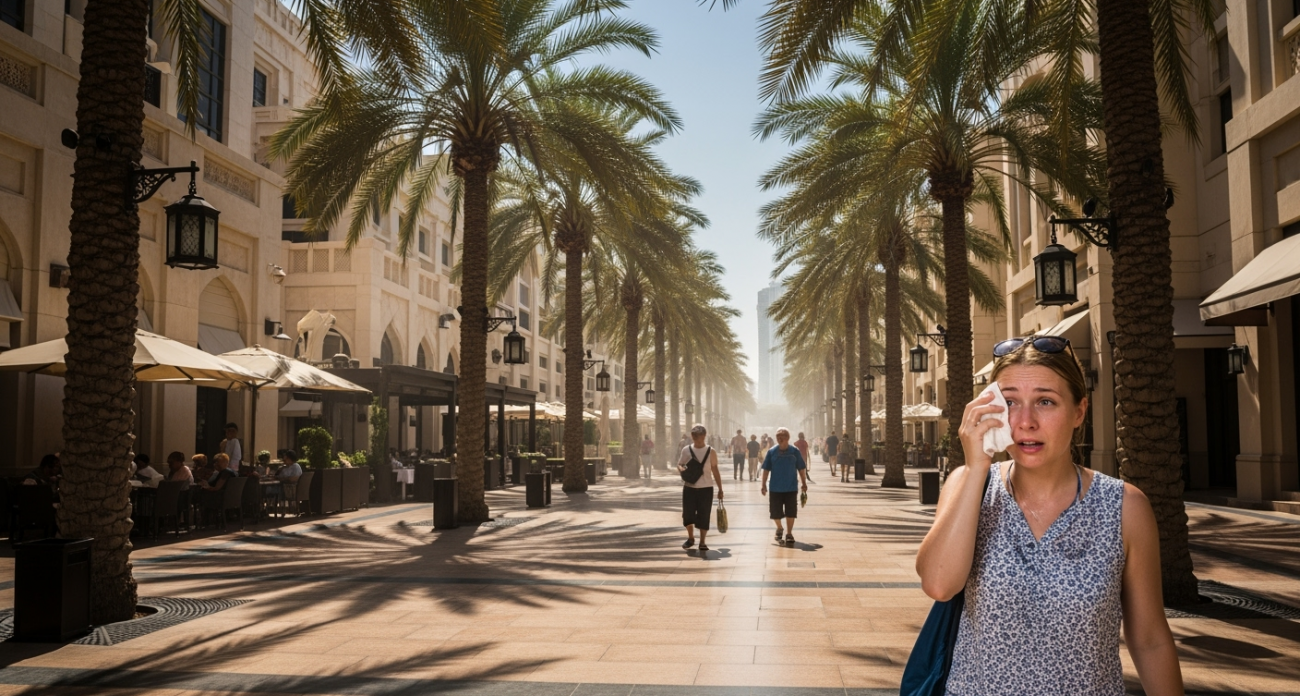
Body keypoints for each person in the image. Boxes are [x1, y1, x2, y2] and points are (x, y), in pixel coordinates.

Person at [917, 335, 1182, 695]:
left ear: (1079, 411)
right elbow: (938, 584)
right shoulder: (969, 486)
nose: (1025, 421)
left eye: (1045, 401)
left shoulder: (1124, 508)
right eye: (1010, 402)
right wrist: (977, 466)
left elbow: (1150, 639)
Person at [677, 424, 723, 554]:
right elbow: (680, 464)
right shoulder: (686, 450)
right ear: (692, 437)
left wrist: (720, 488)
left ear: (704, 436)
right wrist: (682, 470)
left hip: (706, 488)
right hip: (689, 487)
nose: (698, 440)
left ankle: (702, 542)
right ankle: (691, 538)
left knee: (704, 515)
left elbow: (715, 470)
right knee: (687, 514)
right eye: (695, 438)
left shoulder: (711, 451)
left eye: (700, 438)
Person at [761, 428, 808, 547]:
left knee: (791, 512)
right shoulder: (772, 452)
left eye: (782, 437)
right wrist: (763, 485)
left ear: (787, 438)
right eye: (778, 437)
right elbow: (766, 469)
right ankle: (780, 527)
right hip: (775, 488)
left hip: (791, 487)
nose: (779, 439)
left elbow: (801, 468)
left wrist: (804, 483)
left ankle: (789, 533)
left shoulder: (794, 451)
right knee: (775, 513)